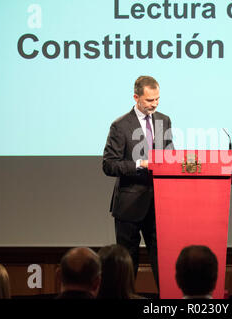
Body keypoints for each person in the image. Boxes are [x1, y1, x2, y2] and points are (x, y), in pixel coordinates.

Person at [102, 76, 174, 287]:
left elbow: (170, 155)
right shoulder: (120, 125)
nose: (154, 104)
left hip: (159, 204)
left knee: (162, 261)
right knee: (127, 265)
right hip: (129, 206)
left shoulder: (164, 120)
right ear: (136, 97)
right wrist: (139, 164)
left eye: (157, 99)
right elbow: (109, 165)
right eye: (150, 100)